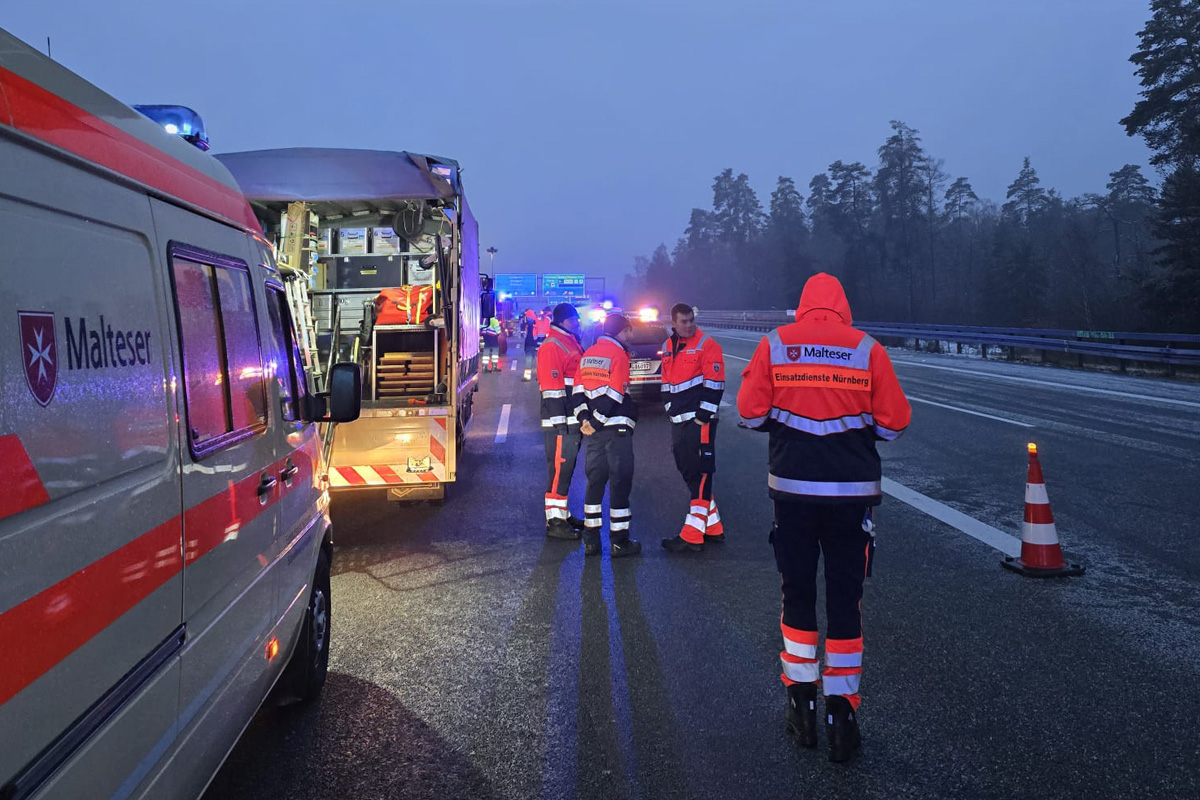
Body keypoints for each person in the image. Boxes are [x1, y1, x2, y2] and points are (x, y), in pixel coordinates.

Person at [737, 273, 911, 763]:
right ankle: (842, 716)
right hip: (851, 498)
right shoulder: (866, 349)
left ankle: (801, 706)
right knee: (844, 599)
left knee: (796, 593)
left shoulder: (775, 345)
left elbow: (750, 415)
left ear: (802, 305)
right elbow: (895, 424)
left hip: (791, 494)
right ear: (843, 306)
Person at [572, 313, 642, 558]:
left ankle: (591, 541)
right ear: (620, 332)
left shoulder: (588, 354)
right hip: (616, 429)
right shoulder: (619, 355)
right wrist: (597, 421)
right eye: (629, 331)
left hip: (593, 432)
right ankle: (620, 542)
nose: (631, 336)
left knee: (595, 482)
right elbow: (616, 393)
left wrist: (585, 421)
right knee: (620, 482)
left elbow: (578, 392)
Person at [660, 303, 726, 553]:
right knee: (686, 469)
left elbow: (716, 383)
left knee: (701, 474)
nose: (688, 325)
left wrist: (702, 417)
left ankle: (692, 534)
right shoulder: (668, 346)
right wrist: (668, 407)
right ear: (673, 323)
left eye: (691, 320)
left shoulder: (707, 345)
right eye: (683, 322)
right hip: (678, 421)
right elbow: (666, 381)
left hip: (700, 423)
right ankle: (714, 527)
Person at [539, 303, 587, 540]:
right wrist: (560, 425)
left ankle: (563, 514)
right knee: (559, 469)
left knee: (566, 468)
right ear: (563, 320)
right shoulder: (552, 345)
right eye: (574, 319)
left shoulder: (569, 340)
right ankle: (556, 521)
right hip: (561, 422)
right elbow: (552, 388)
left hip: (571, 418)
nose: (578, 322)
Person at [522, 309, 538, 381]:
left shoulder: (527, 325)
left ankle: (527, 377)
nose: (528, 319)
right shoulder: (537, 323)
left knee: (529, 361)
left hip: (531, 345)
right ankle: (539, 377)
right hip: (535, 345)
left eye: (528, 317)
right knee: (537, 361)